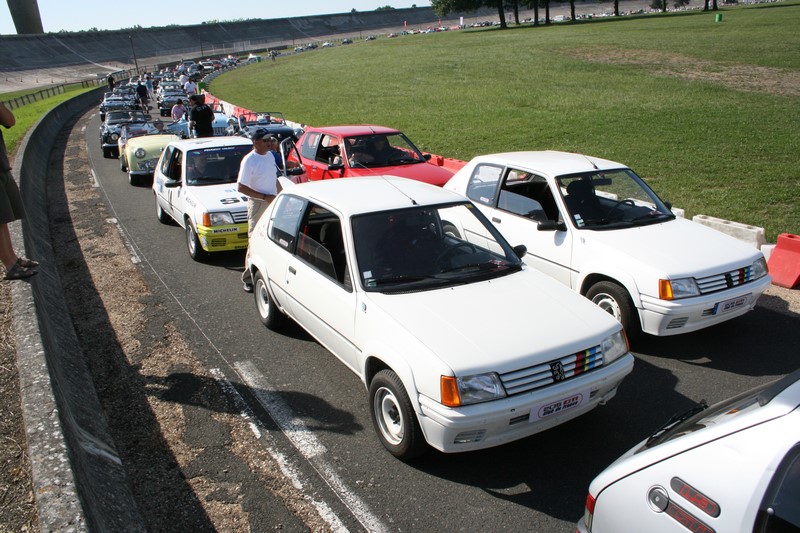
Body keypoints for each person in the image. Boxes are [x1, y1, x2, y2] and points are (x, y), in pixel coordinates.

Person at [237, 131, 280, 292]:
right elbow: (241, 187)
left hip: (272, 201)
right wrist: (264, 196)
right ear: (255, 143)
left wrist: (279, 197)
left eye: (270, 139)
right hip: (258, 205)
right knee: (254, 240)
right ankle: (248, 278)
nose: (269, 143)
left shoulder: (269, 156)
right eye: (265, 140)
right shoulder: (249, 160)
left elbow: (273, 179)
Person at [0, 102, 38, 280]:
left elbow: (10, 121)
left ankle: (13, 259)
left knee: (4, 219)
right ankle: (9, 265)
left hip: (1, 168)